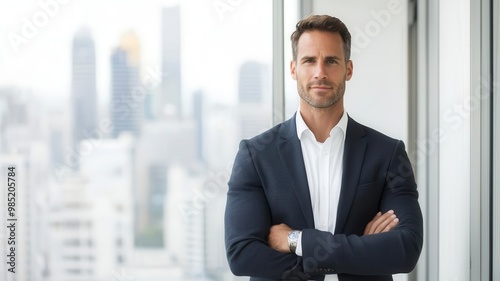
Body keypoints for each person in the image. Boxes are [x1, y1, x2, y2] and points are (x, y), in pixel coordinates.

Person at [224, 14, 423, 281]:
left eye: (331, 61)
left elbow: (405, 249)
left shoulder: (387, 154)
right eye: (309, 61)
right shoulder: (256, 155)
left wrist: (297, 240)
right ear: (293, 69)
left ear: (348, 69)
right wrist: (360, 251)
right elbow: (242, 255)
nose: (320, 72)